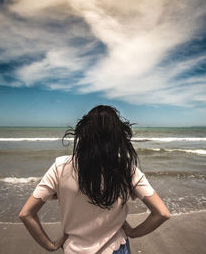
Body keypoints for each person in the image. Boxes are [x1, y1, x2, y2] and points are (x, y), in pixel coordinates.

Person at [19, 105, 170, 253]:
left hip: (74, 249)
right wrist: (132, 232)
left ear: (84, 133)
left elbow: (26, 214)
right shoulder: (126, 169)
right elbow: (162, 213)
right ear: (117, 135)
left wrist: (50, 245)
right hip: (116, 248)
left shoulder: (61, 167)